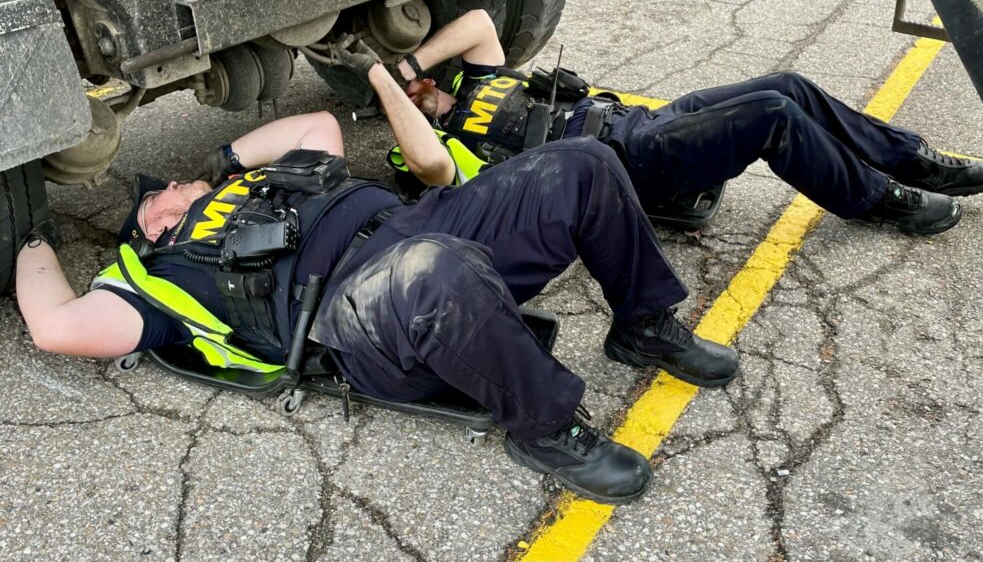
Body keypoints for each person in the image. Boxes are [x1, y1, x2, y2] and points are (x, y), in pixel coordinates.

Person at [14, 110, 738, 505]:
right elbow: (55, 325)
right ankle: (546, 430)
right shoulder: (155, 274)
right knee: (435, 273)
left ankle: (642, 325)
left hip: (420, 222)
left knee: (582, 161)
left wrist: (225, 162)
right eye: (162, 191)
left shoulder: (258, 182)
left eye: (180, 179)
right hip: (354, 314)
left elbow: (319, 123)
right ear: (148, 221)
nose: (175, 183)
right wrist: (28, 237)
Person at [354, 9, 983, 235]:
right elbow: (433, 170)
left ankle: (910, 158)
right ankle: (877, 199)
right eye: (407, 93)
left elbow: (476, 25)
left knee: (787, 83)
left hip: (644, 123)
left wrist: (409, 59)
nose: (420, 88)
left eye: (418, 84)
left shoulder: (481, 78)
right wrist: (386, 85)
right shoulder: (446, 143)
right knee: (773, 117)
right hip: (627, 167)